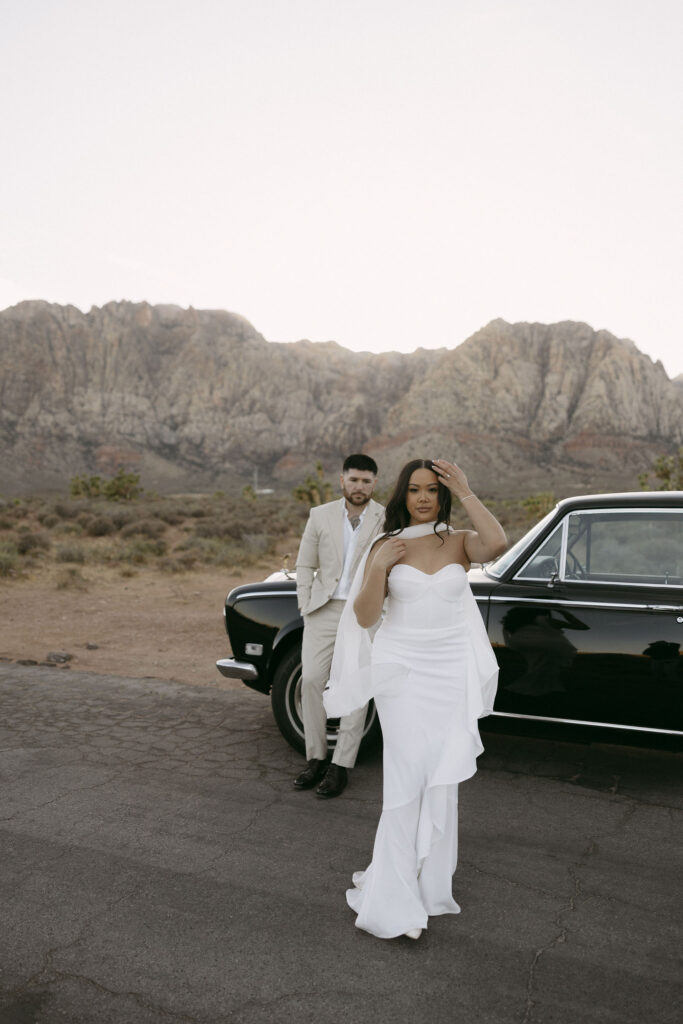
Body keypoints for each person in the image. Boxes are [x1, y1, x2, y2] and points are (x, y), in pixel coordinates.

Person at [323, 458, 507, 938]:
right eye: (414, 490)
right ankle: (394, 889)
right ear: (402, 495)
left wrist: (466, 488)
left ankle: (430, 885)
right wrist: (377, 569)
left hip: (449, 672)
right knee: (406, 775)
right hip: (401, 671)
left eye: (432, 490)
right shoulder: (387, 545)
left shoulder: (461, 541)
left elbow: (498, 544)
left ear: (442, 495)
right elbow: (365, 618)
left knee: (440, 779)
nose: (423, 497)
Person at [294, 454, 385, 798]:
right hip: (324, 609)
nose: (359, 486)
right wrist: (305, 604)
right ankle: (315, 758)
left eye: (365, 481)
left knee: (356, 687)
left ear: (374, 483)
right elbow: (305, 563)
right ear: (342, 480)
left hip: (364, 612)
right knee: (313, 680)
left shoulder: (386, 519)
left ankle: (340, 766)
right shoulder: (320, 515)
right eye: (353, 480)